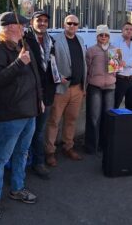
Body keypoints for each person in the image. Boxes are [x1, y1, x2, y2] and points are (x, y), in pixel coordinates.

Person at [0, 12, 43, 221]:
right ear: (9, 27)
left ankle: (17, 188)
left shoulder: (22, 46)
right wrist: (18, 63)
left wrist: (40, 100)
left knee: (23, 153)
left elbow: (35, 77)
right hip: (12, 113)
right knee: (2, 158)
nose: (24, 29)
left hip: (30, 111)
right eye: (21, 25)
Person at [45, 14, 87, 166]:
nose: (72, 26)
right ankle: (50, 151)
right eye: (69, 23)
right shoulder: (55, 40)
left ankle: (68, 146)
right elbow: (50, 61)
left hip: (77, 88)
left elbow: (83, 64)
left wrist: (84, 86)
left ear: (78, 26)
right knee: (54, 121)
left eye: (75, 24)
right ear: (64, 24)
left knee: (71, 120)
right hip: (61, 88)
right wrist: (58, 76)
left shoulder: (81, 40)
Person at [24, 10, 57, 180]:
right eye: (39, 20)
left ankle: (38, 162)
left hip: (47, 93)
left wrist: (58, 78)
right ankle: (22, 163)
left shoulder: (51, 41)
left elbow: (52, 66)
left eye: (45, 20)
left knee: (39, 131)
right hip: (30, 94)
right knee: (25, 132)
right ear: (32, 22)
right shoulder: (25, 40)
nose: (42, 23)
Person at [84, 25, 116, 154]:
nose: (103, 37)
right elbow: (86, 69)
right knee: (94, 117)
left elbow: (116, 70)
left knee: (107, 117)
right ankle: (91, 147)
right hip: (95, 86)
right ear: (97, 36)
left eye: (106, 35)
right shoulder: (91, 50)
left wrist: (121, 65)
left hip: (110, 86)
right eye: (101, 35)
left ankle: (104, 144)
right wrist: (85, 86)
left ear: (109, 36)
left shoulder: (114, 50)